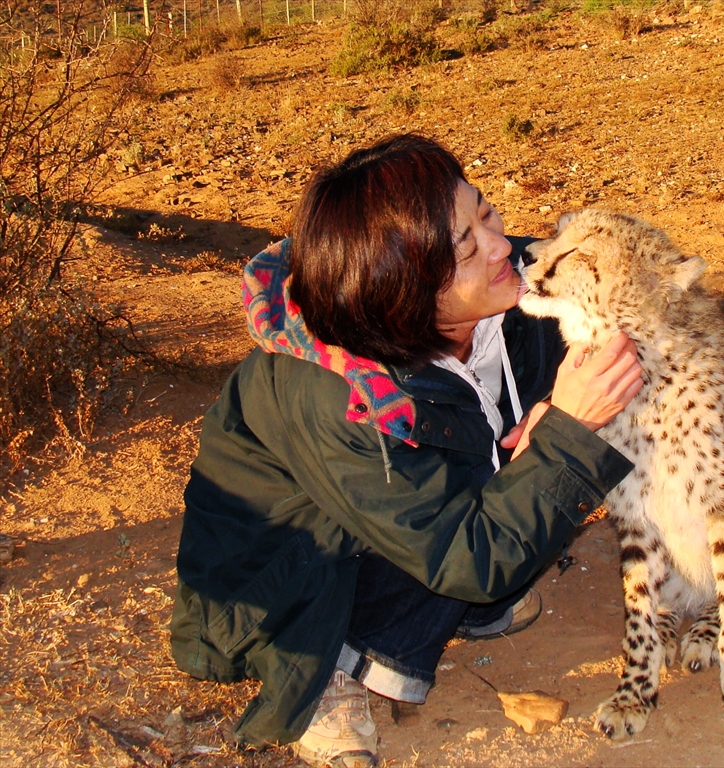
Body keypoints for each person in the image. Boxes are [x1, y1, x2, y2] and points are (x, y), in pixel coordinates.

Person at [169, 134, 643, 768]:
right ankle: (331, 667)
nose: (503, 246)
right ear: (404, 291)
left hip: (420, 519)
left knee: (507, 490)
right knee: (481, 538)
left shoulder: (508, 288)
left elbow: (635, 295)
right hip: (281, 587)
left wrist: (554, 414)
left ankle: (468, 608)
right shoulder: (336, 394)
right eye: (466, 246)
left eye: (486, 213)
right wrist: (568, 434)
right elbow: (466, 553)